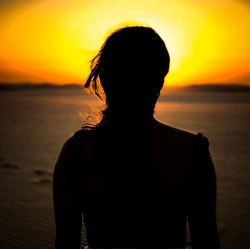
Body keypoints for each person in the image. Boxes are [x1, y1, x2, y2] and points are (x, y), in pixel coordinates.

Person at [53, 26, 221, 249]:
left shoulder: (76, 152)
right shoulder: (191, 152)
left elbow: (65, 243)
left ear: (103, 78)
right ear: (159, 81)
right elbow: (207, 242)